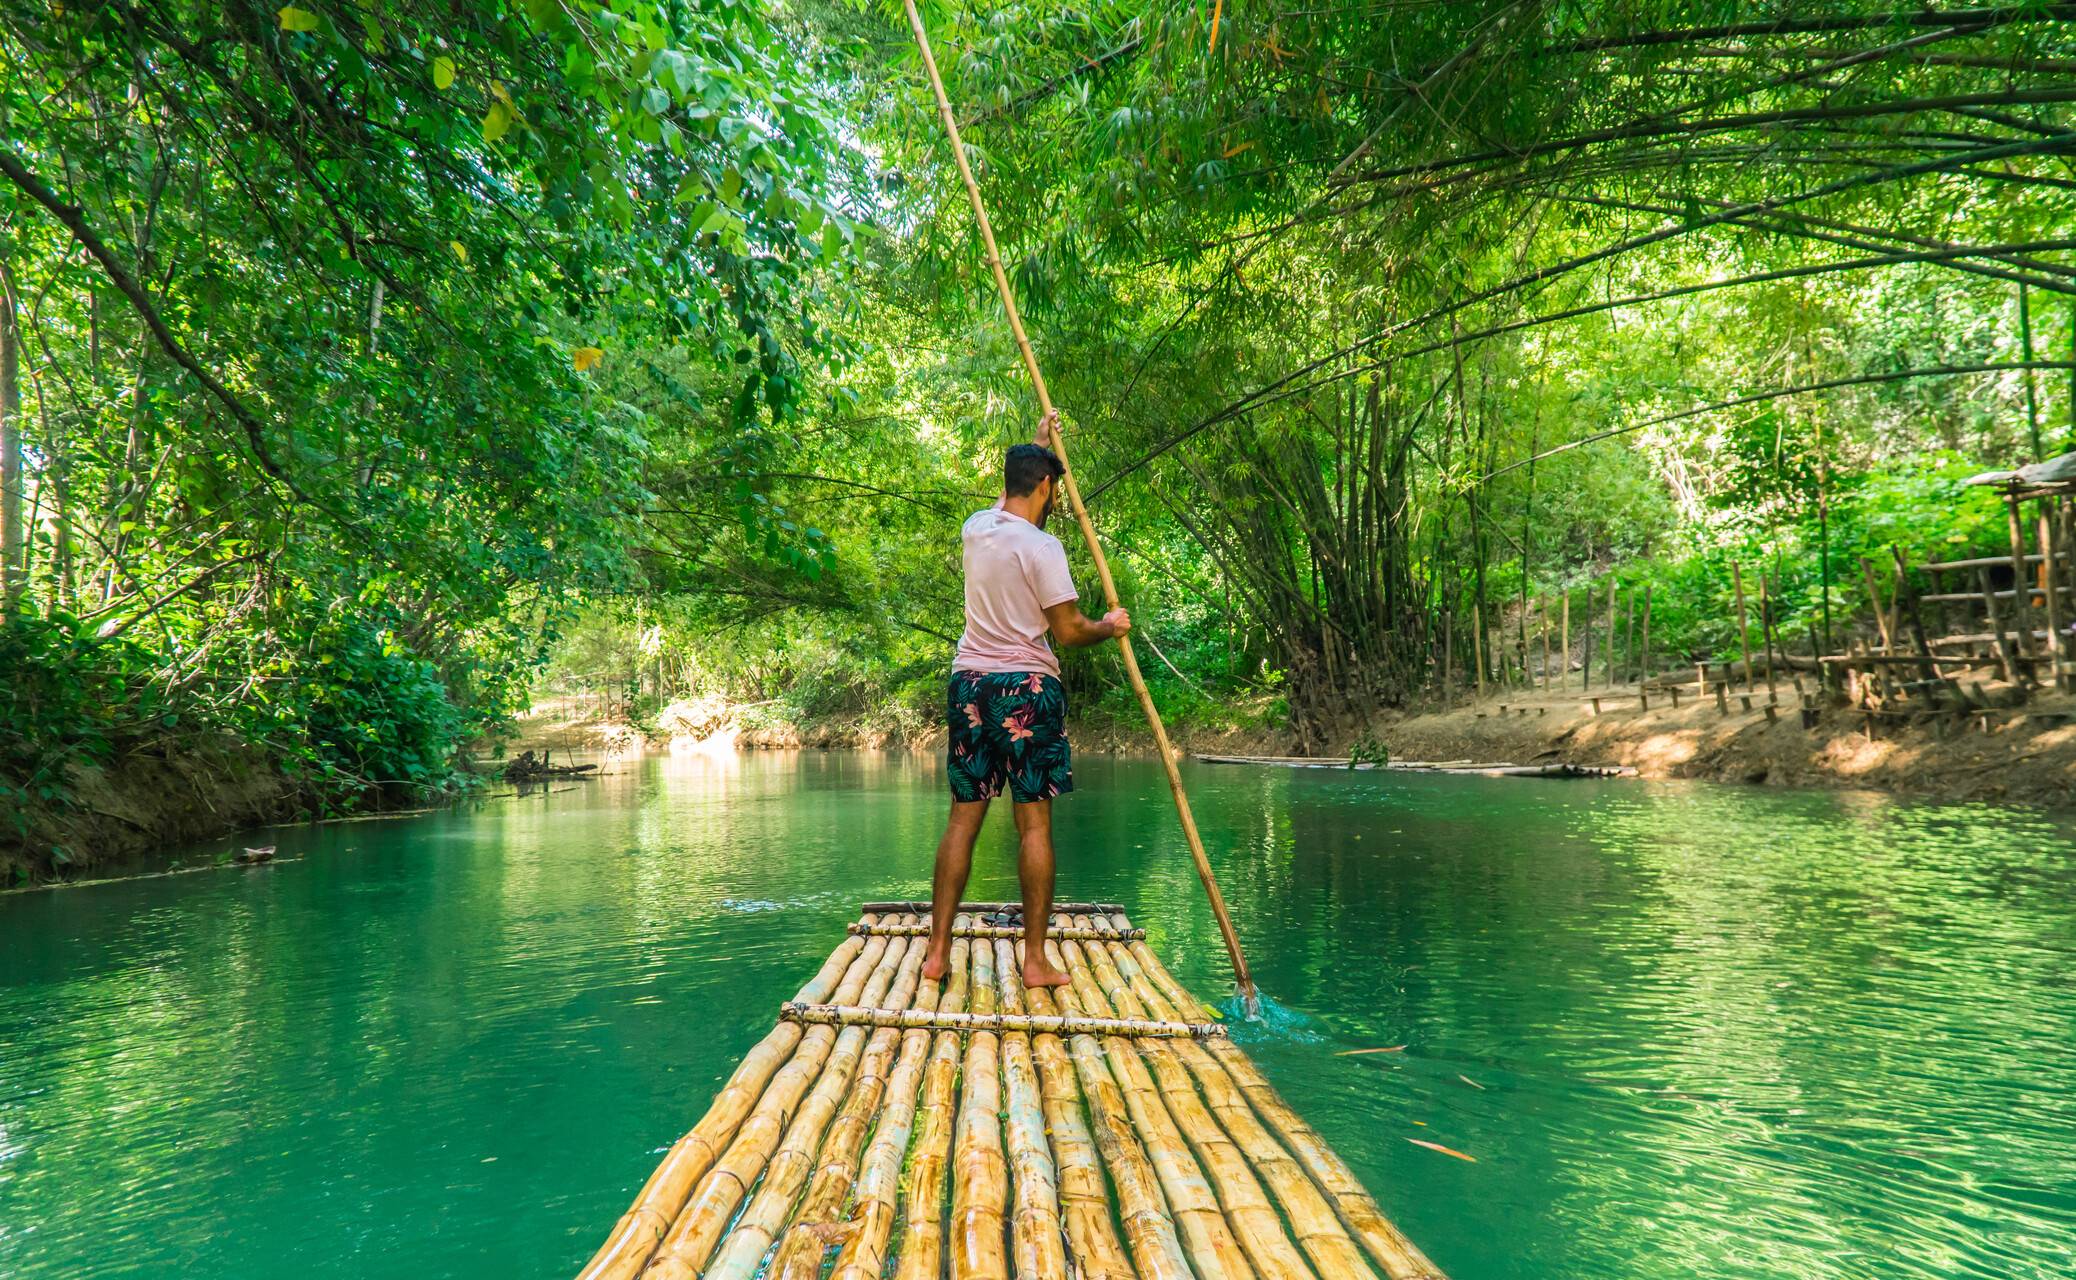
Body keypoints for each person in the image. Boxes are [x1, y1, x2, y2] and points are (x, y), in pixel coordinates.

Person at [922, 409, 1130, 988]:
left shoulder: (976, 526)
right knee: (1033, 826)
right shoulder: (1043, 547)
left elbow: (1006, 501)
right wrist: (1109, 625)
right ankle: (1034, 961)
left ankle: (936, 953)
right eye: (1053, 485)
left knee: (963, 822)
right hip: (1025, 688)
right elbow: (1067, 631)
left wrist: (1038, 447)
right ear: (1047, 486)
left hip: (968, 685)